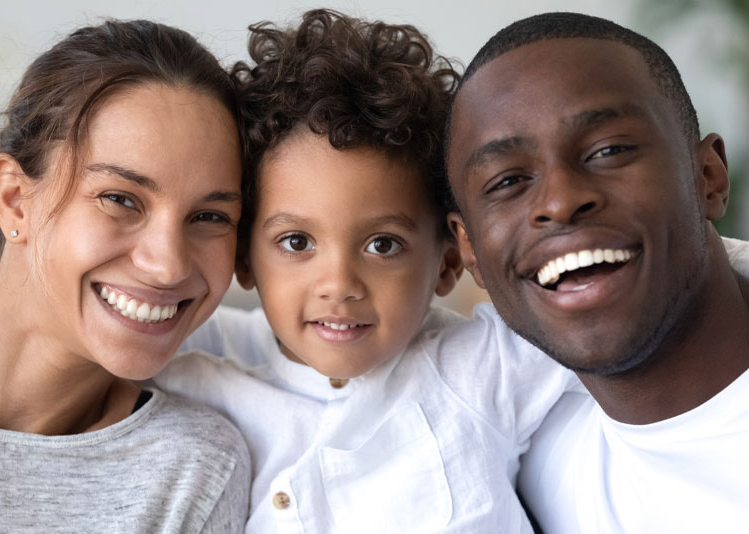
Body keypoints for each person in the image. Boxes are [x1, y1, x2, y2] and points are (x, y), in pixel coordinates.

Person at [153, 9, 575, 533]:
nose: (339, 285)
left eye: (382, 244)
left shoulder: (480, 368)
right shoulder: (196, 363)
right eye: (297, 242)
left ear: (448, 262)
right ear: (243, 258)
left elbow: (641, 300)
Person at [444, 11, 749, 533]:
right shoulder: (503, 453)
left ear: (708, 178)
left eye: (609, 150)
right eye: (507, 181)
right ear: (468, 249)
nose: (560, 202)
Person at [0, 19, 250, 532]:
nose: (168, 265)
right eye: (120, 199)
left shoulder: (193, 470)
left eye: (209, 217)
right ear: (16, 201)